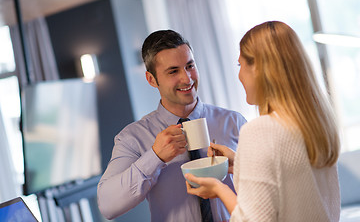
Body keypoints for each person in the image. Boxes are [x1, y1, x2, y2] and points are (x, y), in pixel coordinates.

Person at [185, 21, 341, 221]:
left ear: (258, 67)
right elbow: (293, 186)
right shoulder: (318, 124)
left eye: (240, 64)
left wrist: (219, 189)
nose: (239, 74)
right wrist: (242, 163)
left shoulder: (260, 130)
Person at [97, 29, 247, 222]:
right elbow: (107, 206)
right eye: (173, 71)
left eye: (190, 66)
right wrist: (155, 157)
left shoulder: (233, 122)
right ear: (152, 80)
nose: (187, 78)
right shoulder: (132, 138)